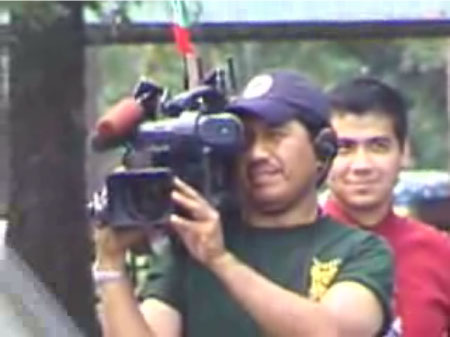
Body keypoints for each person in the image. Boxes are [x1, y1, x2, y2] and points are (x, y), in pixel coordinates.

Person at [94, 70, 393, 337]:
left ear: (322, 150)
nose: (257, 154)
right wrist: (111, 264)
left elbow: (331, 331)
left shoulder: (359, 250)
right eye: (245, 140)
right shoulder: (192, 245)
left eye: (275, 136)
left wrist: (222, 261)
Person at [324, 76, 450, 337]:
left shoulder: (440, 253)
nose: (361, 165)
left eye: (378, 146)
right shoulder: (292, 248)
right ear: (321, 154)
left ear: (404, 153)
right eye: (345, 148)